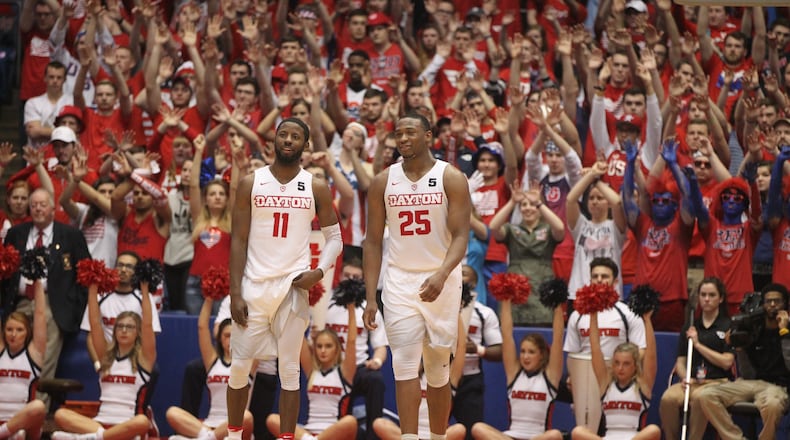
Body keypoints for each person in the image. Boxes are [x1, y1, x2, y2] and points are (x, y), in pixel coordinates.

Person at [227, 117, 342, 440]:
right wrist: (235, 292)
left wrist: (319, 271)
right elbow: (238, 239)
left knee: (290, 370)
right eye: (283, 135)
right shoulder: (252, 182)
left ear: (306, 145)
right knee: (239, 366)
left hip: (292, 288)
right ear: (273, 141)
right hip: (253, 286)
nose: (288, 140)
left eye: (295, 136)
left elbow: (335, 238)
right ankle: (235, 436)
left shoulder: (315, 185)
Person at [363, 113, 471, 440]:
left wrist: (442, 273)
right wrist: (371, 296)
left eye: (411, 132)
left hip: (442, 278)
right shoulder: (383, 181)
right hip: (399, 280)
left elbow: (462, 235)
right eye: (399, 133)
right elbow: (371, 241)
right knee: (405, 364)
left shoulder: (450, 177)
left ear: (428, 135)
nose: (404, 138)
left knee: (438, 368)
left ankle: (436, 437)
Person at [2, 188, 90, 406]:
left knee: (46, 345)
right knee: (12, 341)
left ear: (53, 209)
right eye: (34, 205)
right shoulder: (16, 234)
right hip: (21, 302)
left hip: (54, 303)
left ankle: (37, 407)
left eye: (43, 204)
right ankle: (10, 402)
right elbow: (5, 270)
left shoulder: (70, 235)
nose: (38, 208)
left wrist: (75, 308)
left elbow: (84, 273)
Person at [51, 274, 157, 440]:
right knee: (60, 415)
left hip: (128, 424)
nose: (123, 330)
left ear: (138, 333)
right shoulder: (106, 356)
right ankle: (101, 436)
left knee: (142, 421)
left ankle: (88, 438)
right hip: (101, 422)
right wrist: (93, 290)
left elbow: (148, 325)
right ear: (114, 331)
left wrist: (144, 293)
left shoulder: (144, 359)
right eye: (120, 326)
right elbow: (94, 323)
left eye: (129, 327)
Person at [695, 284, 790, 440]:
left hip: (779, 386)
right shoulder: (754, 329)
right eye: (768, 301)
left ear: (785, 304)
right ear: (763, 304)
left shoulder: (788, 330)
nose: (772, 305)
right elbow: (747, 373)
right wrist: (740, 348)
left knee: (773, 405)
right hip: (751, 383)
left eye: (777, 301)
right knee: (705, 395)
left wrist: (785, 333)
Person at [469, 297, 564, 439]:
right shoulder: (514, 373)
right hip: (509, 437)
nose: (525, 356)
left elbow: (558, 338)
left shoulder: (550, 376)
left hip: (537, 437)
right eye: (523, 351)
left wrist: (557, 307)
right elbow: (507, 335)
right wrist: (506, 299)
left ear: (542, 355)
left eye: (531, 352)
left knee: (555, 435)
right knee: (478, 428)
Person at [571, 300, 661, 440]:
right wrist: (593, 316)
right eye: (617, 363)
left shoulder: (643, 384)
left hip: (634, 438)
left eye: (626, 364)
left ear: (634, 366)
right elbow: (595, 348)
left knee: (653, 430)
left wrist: (647, 321)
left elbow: (651, 355)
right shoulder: (606, 383)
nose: (620, 368)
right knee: (578, 432)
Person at [166, 298, 253, 440]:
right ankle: (210, 436)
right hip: (209, 424)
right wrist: (209, 298)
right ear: (220, 339)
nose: (231, 340)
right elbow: (202, 327)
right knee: (172, 412)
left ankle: (209, 437)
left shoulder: (249, 361)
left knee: (246, 416)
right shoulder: (212, 361)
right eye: (227, 335)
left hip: (236, 426)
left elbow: (257, 331)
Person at [267, 304, 358, 439]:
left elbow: (351, 341)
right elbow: (299, 336)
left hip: (333, 435)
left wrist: (351, 308)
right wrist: (297, 300)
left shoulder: (345, 373)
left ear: (337, 349)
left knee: (350, 421)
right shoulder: (312, 370)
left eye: (328, 346)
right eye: (319, 346)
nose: (323, 350)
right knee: (272, 419)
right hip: (307, 433)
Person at [659, 278, 733, 440]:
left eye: (712, 295)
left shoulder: (728, 326)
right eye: (703, 295)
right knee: (668, 399)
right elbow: (680, 361)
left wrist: (698, 345)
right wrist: (685, 377)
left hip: (717, 382)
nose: (707, 299)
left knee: (701, 399)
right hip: (691, 382)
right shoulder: (690, 326)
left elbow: (727, 362)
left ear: (720, 298)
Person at [0, 278, 47, 440]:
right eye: (9, 329)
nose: (13, 334)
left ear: (27, 332)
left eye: (19, 330)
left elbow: (40, 314)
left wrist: (38, 279)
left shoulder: (34, 354)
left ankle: (6, 433)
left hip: (22, 421)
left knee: (38, 407)